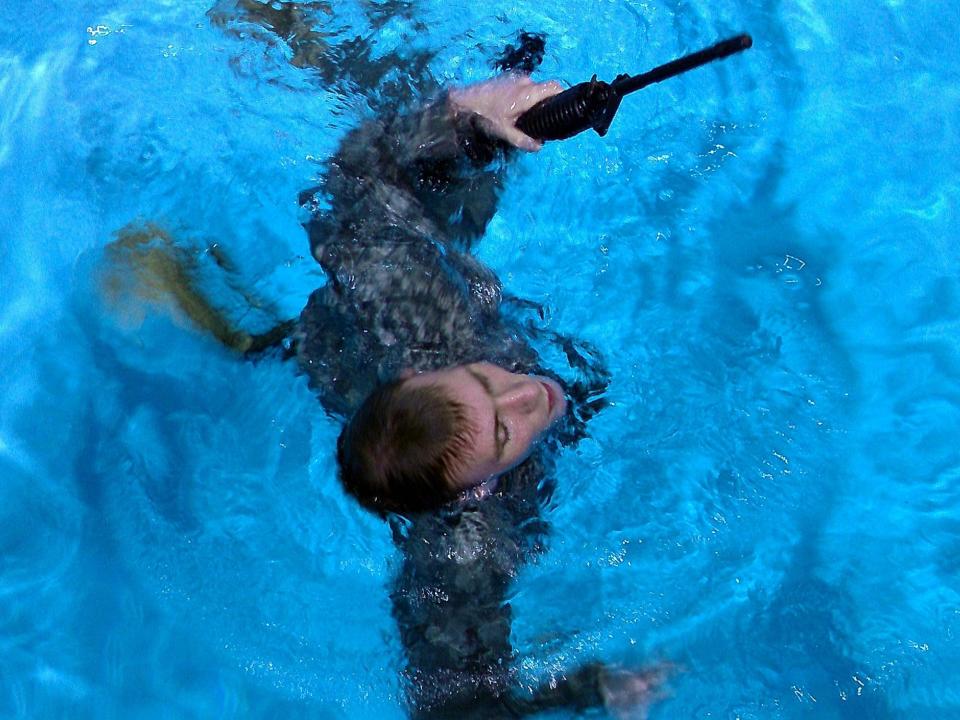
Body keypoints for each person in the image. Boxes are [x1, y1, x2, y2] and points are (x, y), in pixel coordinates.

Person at [104, 30, 664, 718]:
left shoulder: (422, 318)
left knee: (437, 190)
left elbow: (356, 181)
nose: (526, 393)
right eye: (503, 430)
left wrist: (470, 120)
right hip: (338, 366)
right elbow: (459, 709)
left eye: (484, 383)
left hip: (354, 336)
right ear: (477, 490)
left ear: (423, 378)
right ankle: (194, 297)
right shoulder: (463, 556)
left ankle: (299, 34)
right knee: (271, 344)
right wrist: (589, 692)